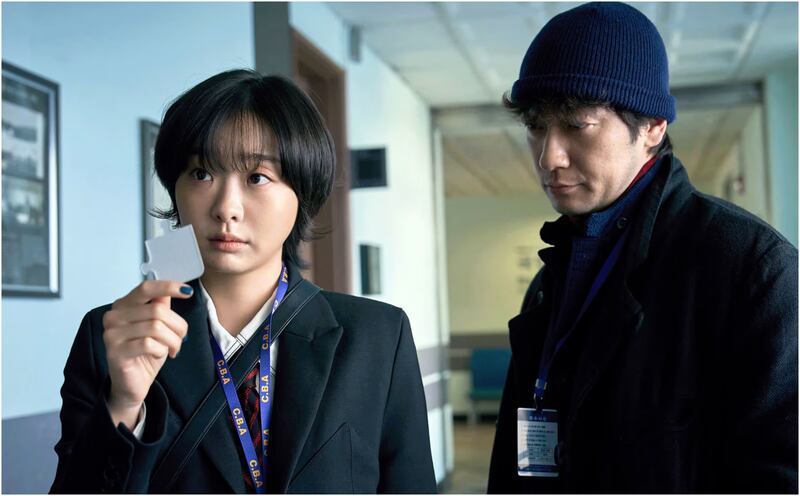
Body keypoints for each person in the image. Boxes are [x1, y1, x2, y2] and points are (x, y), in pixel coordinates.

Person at [50, 69, 437, 493]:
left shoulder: (377, 336)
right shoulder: (114, 334)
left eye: (257, 177)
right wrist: (124, 405)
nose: (226, 208)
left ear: (303, 192)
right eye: (202, 173)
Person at [487, 2, 798, 493]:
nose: (549, 156)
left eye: (576, 125)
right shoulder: (550, 281)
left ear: (653, 126)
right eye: (535, 127)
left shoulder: (751, 269)